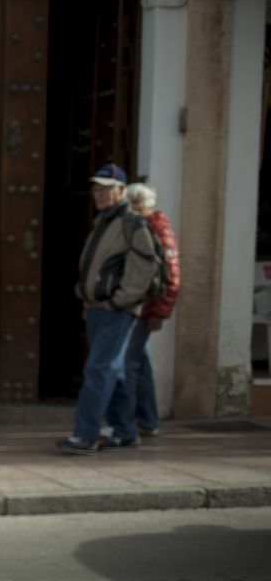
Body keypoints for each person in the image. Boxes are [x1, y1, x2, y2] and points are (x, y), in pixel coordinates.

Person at [58, 164, 159, 455]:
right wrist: (87, 299)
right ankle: (125, 432)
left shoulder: (132, 222)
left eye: (106, 189)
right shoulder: (103, 221)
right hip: (97, 308)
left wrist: (119, 301)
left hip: (117, 309)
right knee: (112, 371)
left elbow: (145, 267)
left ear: (122, 190)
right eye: (96, 189)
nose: (99, 194)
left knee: (98, 368)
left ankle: (85, 435)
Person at [118, 183, 180, 438]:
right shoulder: (138, 227)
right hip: (137, 307)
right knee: (140, 364)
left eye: (133, 203)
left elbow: (172, 274)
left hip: (144, 309)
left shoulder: (156, 230)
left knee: (126, 364)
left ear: (143, 204)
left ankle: (125, 422)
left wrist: (160, 312)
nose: (129, 208)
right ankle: (147, 420)